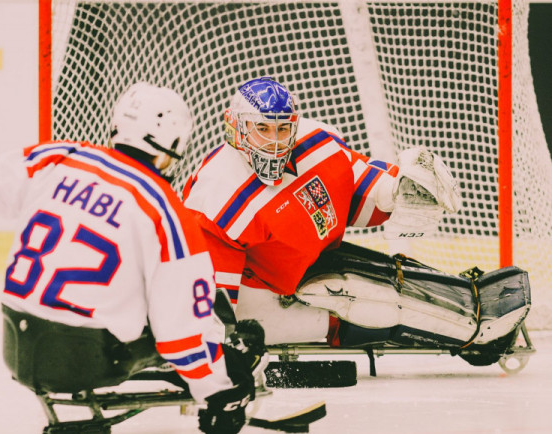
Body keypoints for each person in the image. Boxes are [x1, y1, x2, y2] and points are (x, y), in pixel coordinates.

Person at [0, 82, 266, 434]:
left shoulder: (57, 157)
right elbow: (179, 331)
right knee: (200, 308)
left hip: (16, 341)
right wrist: (217, 391)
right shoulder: (164, 208)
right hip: (88, 359)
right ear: (173, 145)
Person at [181, 77, 484, 347]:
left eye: (282, 128)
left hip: (316, 264)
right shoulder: (216, 195)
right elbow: (212, 300)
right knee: (364, 311)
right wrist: (223, 344)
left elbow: (352, 190)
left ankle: (469, 306)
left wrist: (395, 190)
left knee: (379, 291)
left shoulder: (318, 142)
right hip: (258, 295)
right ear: (236, 126)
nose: (274, 141)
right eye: (262, 128)